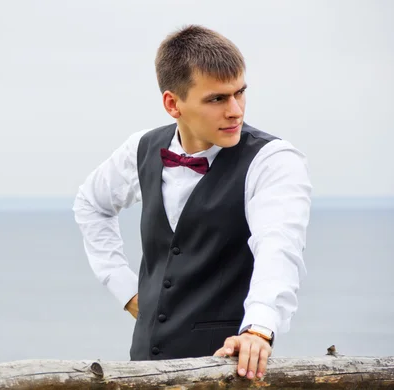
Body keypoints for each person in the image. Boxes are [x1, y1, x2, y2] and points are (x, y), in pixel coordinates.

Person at [72, 24, 312, 381]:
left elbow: (278, 246)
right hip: (143, 374)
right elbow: (91, 204)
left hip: (225, 376)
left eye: (240, 93)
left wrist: (259, 328)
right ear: (173, 103)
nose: (235, 110)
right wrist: (125, 290)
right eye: (217, 99)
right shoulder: (142, 149)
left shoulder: (273, 161)